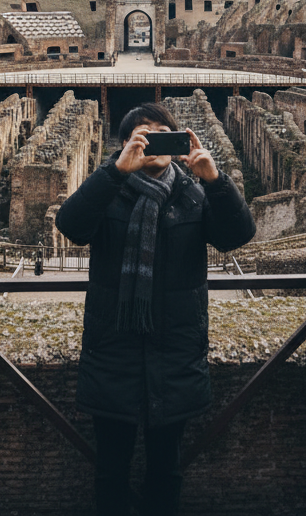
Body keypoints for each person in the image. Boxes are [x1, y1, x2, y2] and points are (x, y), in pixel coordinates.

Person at [55, 103, 255, 516]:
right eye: (145, 133)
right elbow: (71, 226)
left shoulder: (194, 193)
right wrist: (114, 171)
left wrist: (217, 180)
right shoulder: (109, 189)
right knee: (110, 471)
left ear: (178, 142)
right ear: (128, 142)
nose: (155, 140)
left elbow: (237, 236)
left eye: (165, 133)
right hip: (113, 352)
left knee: (167, 472)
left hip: (175, 353)